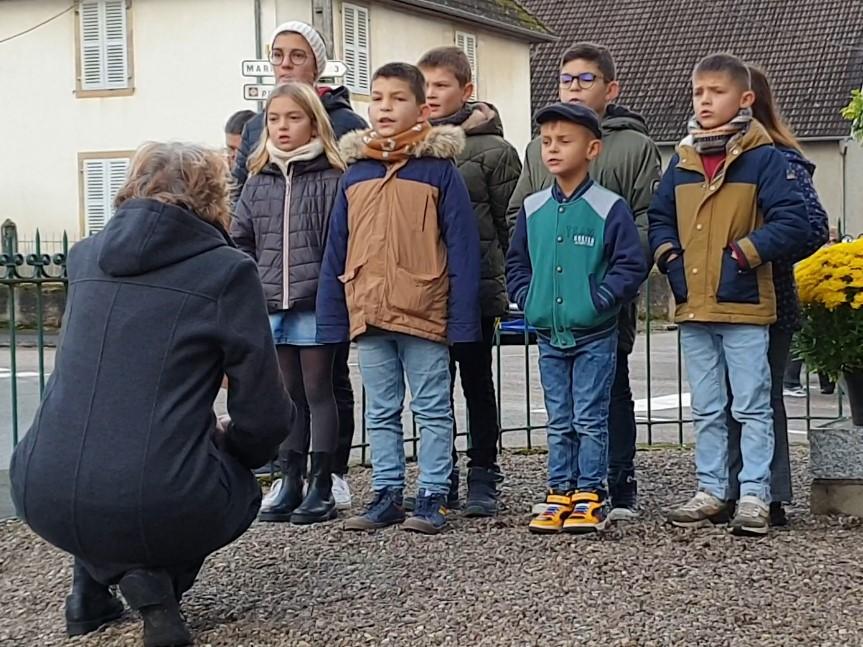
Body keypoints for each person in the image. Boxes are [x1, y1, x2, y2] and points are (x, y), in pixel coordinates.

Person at [9, 143, 295, 646]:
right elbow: (264, 412)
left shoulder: (85, 256)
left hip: (38, 486)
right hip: (156, 498)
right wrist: (235, 448)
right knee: (232, 487)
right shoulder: (226, 271)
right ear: (214, 195)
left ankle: (89, 589)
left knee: (108, 459)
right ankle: (155, 591)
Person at [317, 62, 481, 535]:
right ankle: (386, 492)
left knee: (431, 408)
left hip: (424, 310)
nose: (385, 107)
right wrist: (332, 316)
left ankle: (433, 493)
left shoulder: (439, 171)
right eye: (377, 98)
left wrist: (462, 319)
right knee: (381, 409)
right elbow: (337, 246)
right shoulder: (355, 174)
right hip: (369, 310)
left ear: (422, 109)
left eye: (397, 98)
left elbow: (463, 248)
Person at [649, 53, 809, 536]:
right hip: (694, 307)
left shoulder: (764, 159)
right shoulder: (682, 160)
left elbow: (794, 223)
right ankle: (712, 489)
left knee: (752, 404)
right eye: (698, 92)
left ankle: (755, 495)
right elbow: (659, 218)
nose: (705, 100)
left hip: (744, 306)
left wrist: (741, 255)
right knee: (707, 406)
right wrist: (670, 260)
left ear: (744, 99)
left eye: (716, 92)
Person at [506, 43, 661, 519]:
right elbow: (519, 237)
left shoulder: (631, 153)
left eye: (585, 79)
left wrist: (602, 293)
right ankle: (562, 487)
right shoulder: (537, 170)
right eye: (566, 79)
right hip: (551, 317)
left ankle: (607, 484)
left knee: (603, 401)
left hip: (599, 311)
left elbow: (642, 228)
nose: (574, 86)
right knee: (561, 412)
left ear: (610, 89)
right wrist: (528, 296)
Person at [233, 20, 367, 508]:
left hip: (316, 300)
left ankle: (324, 480)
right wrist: (254, 285)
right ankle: (289, 478)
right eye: (274, 119)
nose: (282, 127)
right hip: (273, 302)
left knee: (319, 389)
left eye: (293, 118)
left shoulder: (334, 178)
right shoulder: (257, 180)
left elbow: (345, 241)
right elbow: (240, 237)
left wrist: (336, 290)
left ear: (315, 123)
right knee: (288, 393)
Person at [417, 46, 522, 516]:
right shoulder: (412, 147)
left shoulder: (494, 152)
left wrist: (509, 281)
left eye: (441, 85)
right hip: (425, 288)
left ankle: (484, 470)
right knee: (432, 387)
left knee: (477, 382)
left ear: (466, 91)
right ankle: (441, 474)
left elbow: (509, 223)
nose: (431, 93)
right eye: (425, 85)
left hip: (475, 288)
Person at [724, 64, 829, 527]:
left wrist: (751, 253)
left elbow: (812, 227)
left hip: (769, 297)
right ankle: (732, 488)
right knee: (727, 398)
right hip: (722, 298)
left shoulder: (780, 159)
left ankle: (767, 492)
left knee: (759, 397)